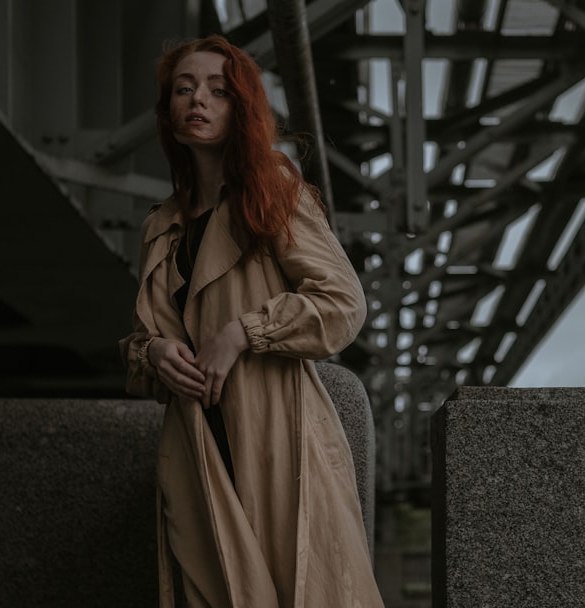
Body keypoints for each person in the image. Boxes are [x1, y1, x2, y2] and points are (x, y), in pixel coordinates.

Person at [118, 35, 384, 608]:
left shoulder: (272, 188)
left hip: (275, 433)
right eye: (183, 90)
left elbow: (342, 302)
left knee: (302, 586)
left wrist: (242, 333)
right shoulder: (161, 225)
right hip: (195, 444)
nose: (198, 100)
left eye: (219, 90)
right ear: (167, 112)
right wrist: (155, 353)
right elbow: (144, 341)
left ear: (242, 107)